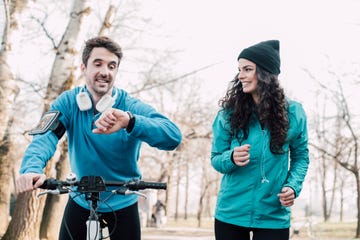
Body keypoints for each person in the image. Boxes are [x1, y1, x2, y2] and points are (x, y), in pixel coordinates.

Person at [16, 36, 182, 240]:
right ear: (83, 68)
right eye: (98, 64)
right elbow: (46, 135)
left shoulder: (129, 106)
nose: (105, 71)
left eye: (112, 66)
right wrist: (31, 169)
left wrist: (130, 121)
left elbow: (172, 136)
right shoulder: (69, 102)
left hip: (123, 201)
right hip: (80, 199)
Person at [210, 40, 309, 240]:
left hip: (273, 214)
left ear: (265, 73)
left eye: (247, 69)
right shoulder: (228, 114)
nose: (240, 76)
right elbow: (215, 158)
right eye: (239, 69)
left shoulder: (294, 113)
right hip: (231, 212)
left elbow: (301, 157)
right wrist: (230, 158)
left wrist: (292, 186)